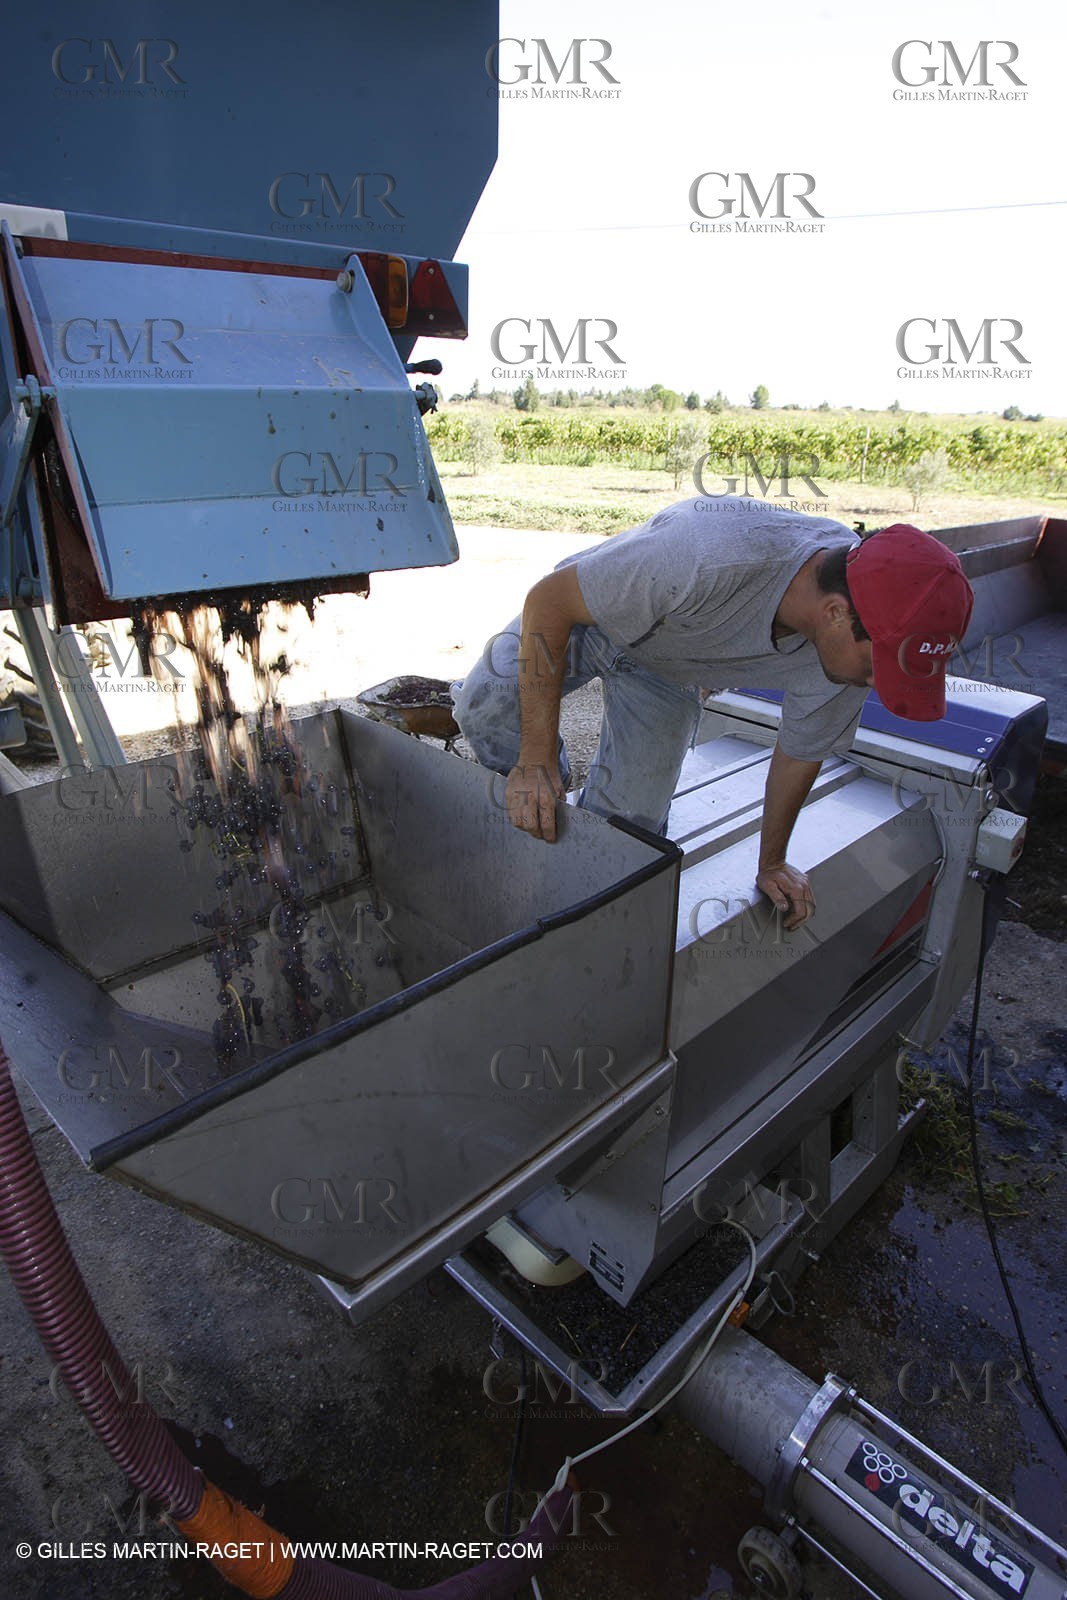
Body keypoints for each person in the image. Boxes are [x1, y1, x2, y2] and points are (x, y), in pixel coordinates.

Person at [451, 500, 973, 930]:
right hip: (587, 619)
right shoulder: (707, 554)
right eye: (878, 665)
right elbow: (549, 601)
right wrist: (536, 756)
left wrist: (771, 862)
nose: (877, 683)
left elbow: (798, 756)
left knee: (629, 833)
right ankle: (542, 792)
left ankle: (560, 847)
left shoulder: (846, 662)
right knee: (485, 704)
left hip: (668, 671)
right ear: (835, 614)